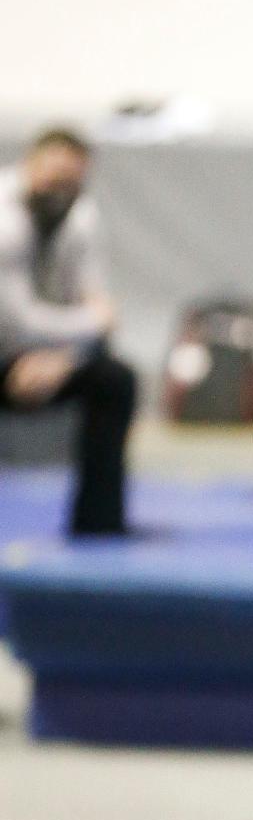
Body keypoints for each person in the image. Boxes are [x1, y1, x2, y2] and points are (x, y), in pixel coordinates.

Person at [0, 128, 136, 536]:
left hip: (46, 356)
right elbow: (16, 318)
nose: (62, 191)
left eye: (72, 183)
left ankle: (98, 525)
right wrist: (88, 325)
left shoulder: (82, 218)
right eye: (54, 178)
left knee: (114, 379)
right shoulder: (5, 220)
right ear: (30, 164)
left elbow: (96, 303)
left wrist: (67, 358)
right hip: (13, 347)